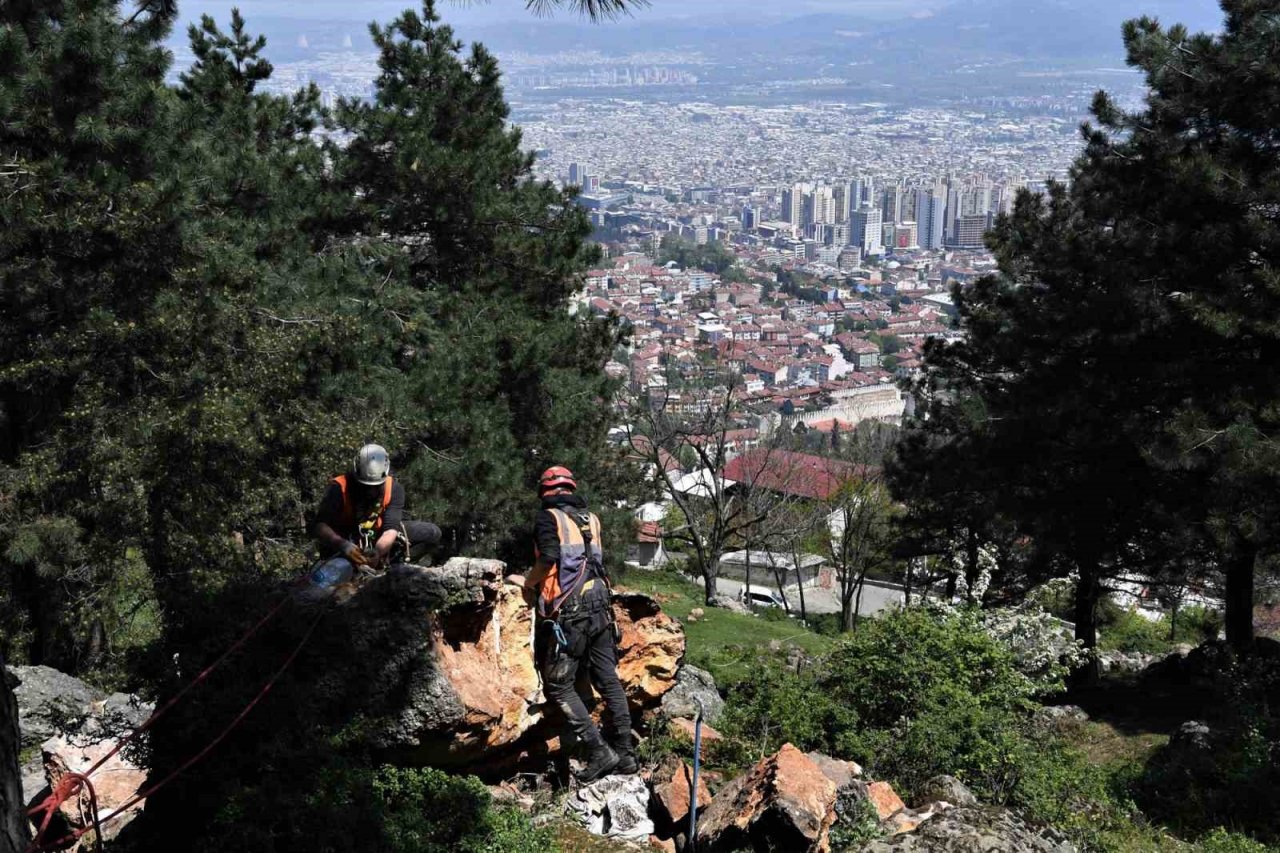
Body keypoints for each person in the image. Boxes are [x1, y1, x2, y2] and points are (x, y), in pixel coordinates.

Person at [524, 465, 637, 782]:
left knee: (559, 684)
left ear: (545, 491)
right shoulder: (591, 519)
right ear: (571, 489)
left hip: (572, 610)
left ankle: (600, 752)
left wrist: (528, 583)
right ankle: (625, 754)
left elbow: (548, 557)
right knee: (607, 678)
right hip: (600, 602)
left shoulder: (549, 518)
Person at [312, 444, 442, 570]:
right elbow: (320, 526)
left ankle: (391, 567)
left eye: (375, 487)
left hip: (379, 536)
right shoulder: (339, 488)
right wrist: (342, 545)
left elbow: (391, 528)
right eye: (365, 486)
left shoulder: (394, 489)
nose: (370, 492)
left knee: (432, 532)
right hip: (346, 538)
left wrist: (378, 552)